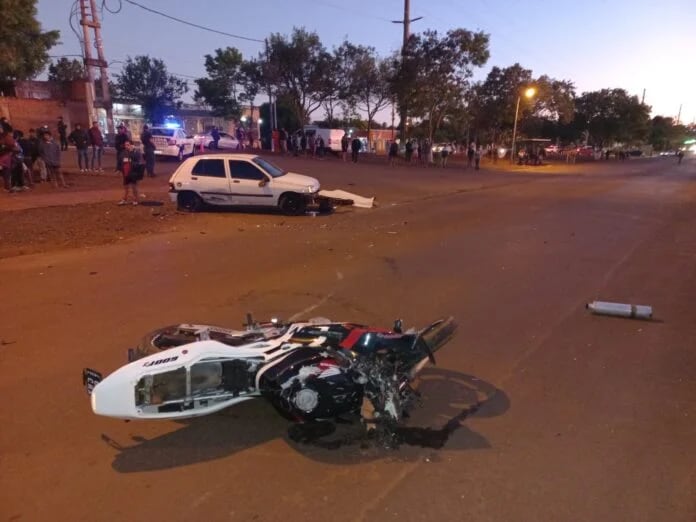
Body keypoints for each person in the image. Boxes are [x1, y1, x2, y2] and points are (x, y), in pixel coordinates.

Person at [118, 140, 144, 205]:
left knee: (134, 187)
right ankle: (124, 199)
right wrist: (119, 169)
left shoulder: (136, 152)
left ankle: (135, 200)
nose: (126, 146)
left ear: (132, 145)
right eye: (125, 145)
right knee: (126, 187)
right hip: (126, 173)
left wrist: (132, 153)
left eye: (128, 145)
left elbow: (139, 162)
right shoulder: (123, 153)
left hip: (133, 172)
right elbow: (120, 161)